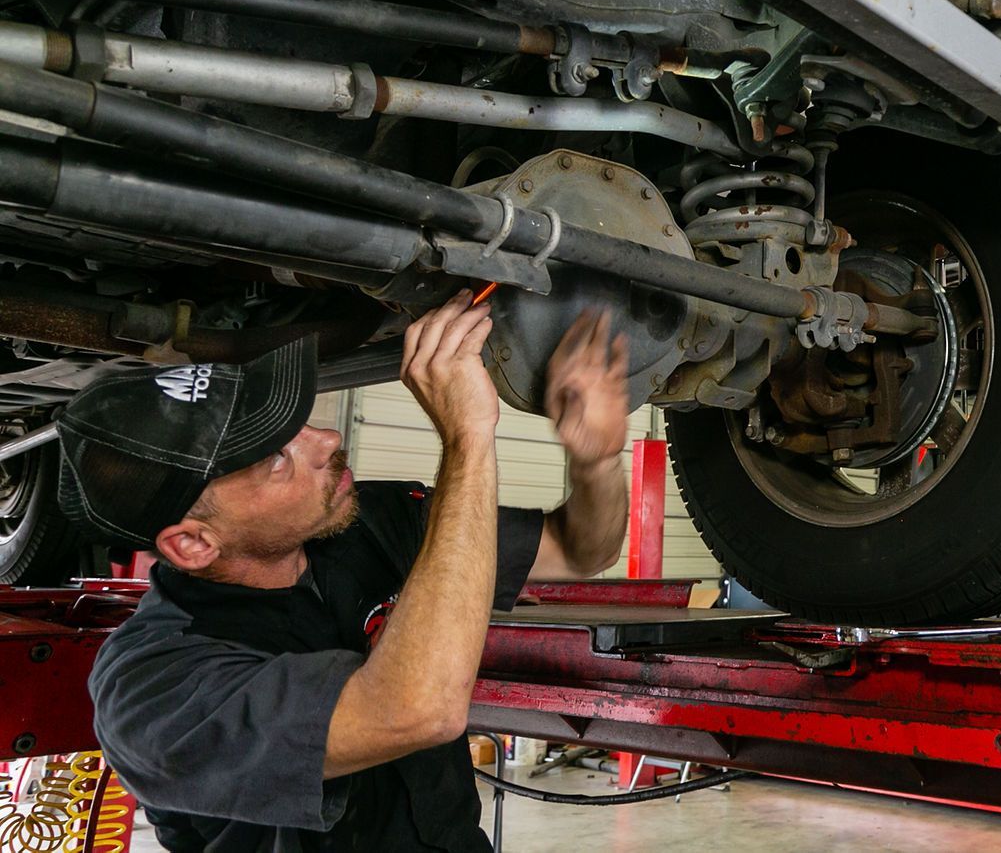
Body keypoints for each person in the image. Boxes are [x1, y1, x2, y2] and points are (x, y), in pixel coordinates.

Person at [68, 291, 631, 850]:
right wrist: (468, 438)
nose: (327, 439)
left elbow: (580, 550)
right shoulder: (154, 689)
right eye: (276, 457)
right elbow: (417, 710)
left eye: (295, 422)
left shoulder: (366, 521)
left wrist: (595, 460)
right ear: (193, 543)